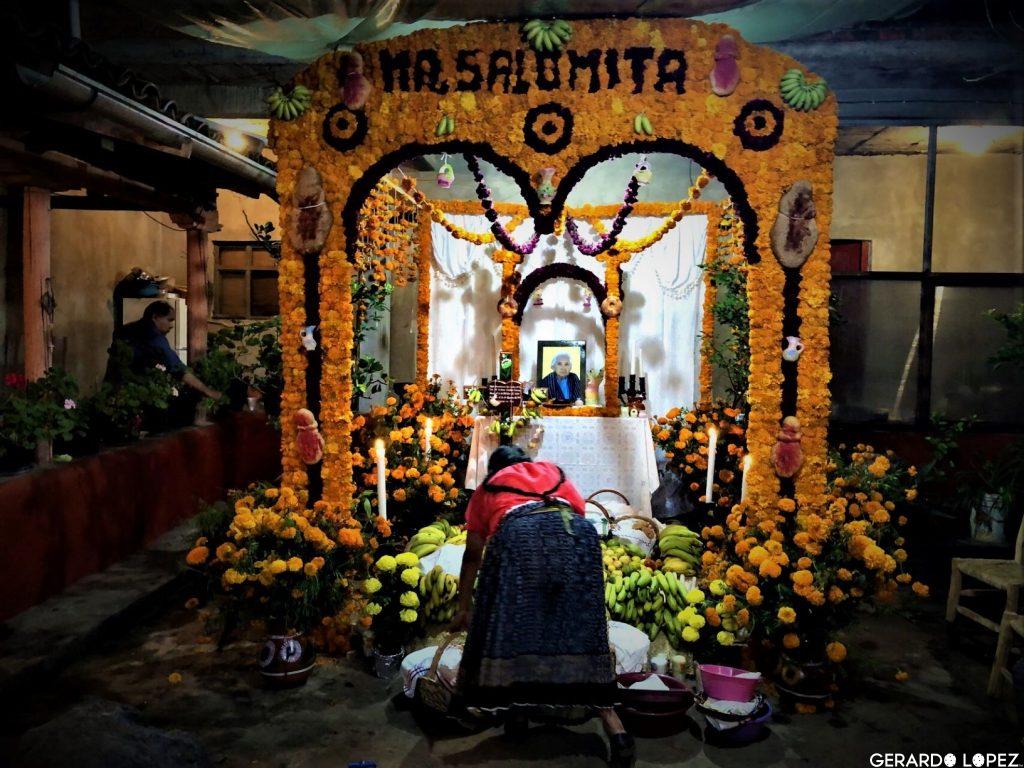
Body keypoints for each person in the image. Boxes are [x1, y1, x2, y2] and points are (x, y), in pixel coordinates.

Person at [450, 445, 635, 767]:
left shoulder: (489, 487)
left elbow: (472, 555)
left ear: (495, 470)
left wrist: (464, 607)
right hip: (578, 537)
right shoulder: (553, 473)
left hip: (519, 537)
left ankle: (515, 713)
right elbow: (577, 513)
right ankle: (615, 729)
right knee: (583, 633)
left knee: (514, 626)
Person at [107, 300, 222, 403]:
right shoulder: (154, 337)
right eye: (169, 320)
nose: (171, 326)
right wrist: (207, 391)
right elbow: (177, 368)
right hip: (135, 392)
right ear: (155, 317)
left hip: (114, 389)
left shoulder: (125, 329)